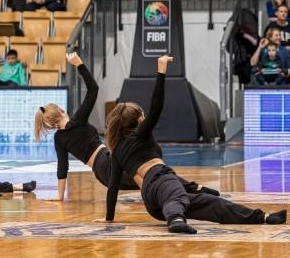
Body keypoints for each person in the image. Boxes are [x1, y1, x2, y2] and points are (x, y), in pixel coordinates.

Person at [93, 56, 287, 234]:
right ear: (138, 121)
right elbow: (156, 106)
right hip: (161, 185)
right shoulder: (140, 134)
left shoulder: (117, 151)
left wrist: (108, 217)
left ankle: (262, 217)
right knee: (176, 194)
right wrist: (161, 72)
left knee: (214, 204)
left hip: (156, 200)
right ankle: (176, 220)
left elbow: (113, 187)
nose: (145, 118)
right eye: (142, 116)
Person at [35, 52, 220, 201]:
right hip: (107, 161)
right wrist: (79, 64)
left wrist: (60, 196)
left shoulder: (59, 138)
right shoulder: (78, 120)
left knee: (149, 178)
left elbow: (63, 168)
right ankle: (189, 193)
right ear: (61, 110)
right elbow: (93, 89)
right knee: (153, 173)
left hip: (101, 174)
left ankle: (191, 190)